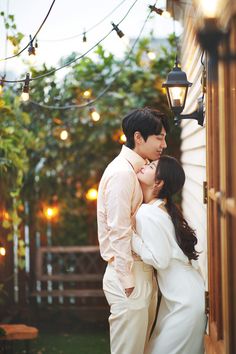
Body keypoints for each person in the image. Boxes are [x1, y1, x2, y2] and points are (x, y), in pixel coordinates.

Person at [97, 107, 169, 354]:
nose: (164, 144)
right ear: (139, 138)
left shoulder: (138, 171)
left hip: (141, 273)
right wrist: (128, 281)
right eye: (159, 137)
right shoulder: (122, 174)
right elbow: (118, 229)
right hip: (128, 275)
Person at [132, 155, 207, 354]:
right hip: (185, 295)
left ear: (158, 182)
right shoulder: (160, 209)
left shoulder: (146, 213)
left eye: (151, 166)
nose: (145, 165)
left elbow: (161, 259)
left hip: (185, 301)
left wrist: (130, 237)